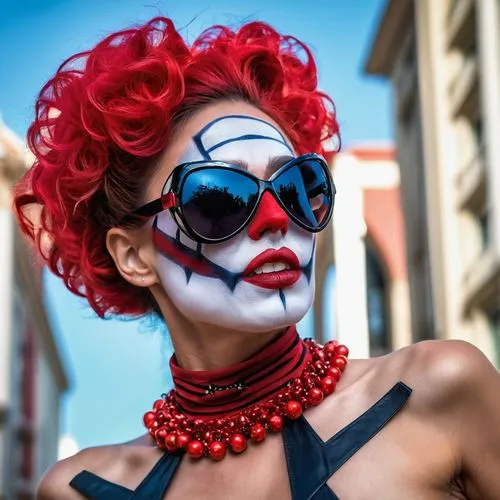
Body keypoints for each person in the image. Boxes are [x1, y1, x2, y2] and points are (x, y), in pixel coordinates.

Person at [13, 16, 500, 500]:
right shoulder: (80, 489)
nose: (275, 218)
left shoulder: (439, 391)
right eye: (219, 197)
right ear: (133, 257)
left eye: (297, 186)